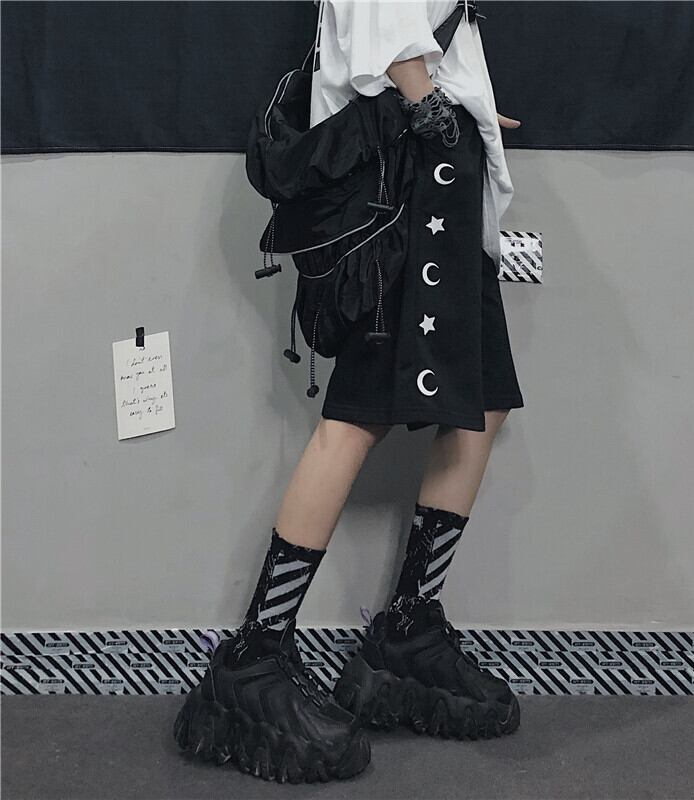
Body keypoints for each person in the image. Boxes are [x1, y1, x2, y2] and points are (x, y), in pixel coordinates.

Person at [173, 0, 525, 784]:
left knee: (482, 404)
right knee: (357, 417)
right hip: (405, 193)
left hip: (443, 185)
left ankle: (408, 630)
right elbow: (381, 21)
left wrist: (466, 104)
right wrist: (431, 106)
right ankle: (257, 652)